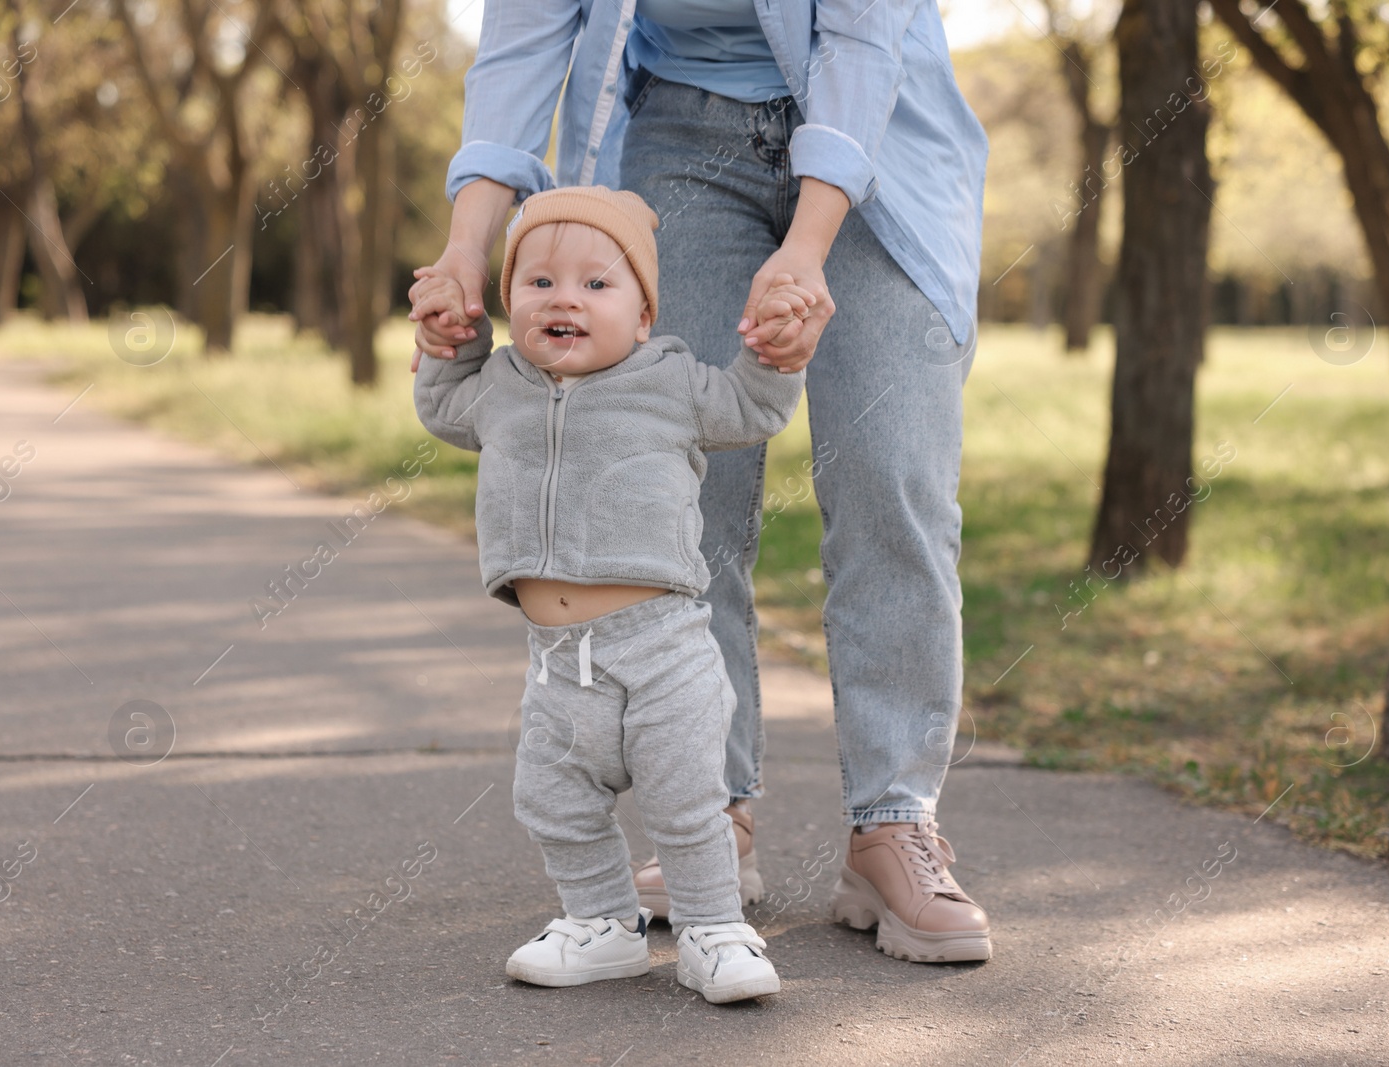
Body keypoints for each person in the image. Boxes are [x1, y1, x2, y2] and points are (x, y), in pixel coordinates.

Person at [411, 0, 993, 964]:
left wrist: (803, 252)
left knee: (895, 477)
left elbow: (858, 39)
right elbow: (523, 44)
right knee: (684, 493)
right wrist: (469, 241)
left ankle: (893, 823)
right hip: (680, 132)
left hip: (879, 128)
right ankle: (707, 811)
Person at [412, 185, 817, 1003]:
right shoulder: (498, 383)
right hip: (559, 662)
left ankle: (711, 929)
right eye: (539, 283)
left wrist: (777, 353)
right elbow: (442, 407)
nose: (565, 297)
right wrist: (447, 343)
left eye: (598, 284)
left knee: (685, 800)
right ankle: (602, 922)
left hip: (662, 646)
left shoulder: (669, 380)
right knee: (552, 799)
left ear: (641, 315)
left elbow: (751, 406)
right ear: (511, 302)